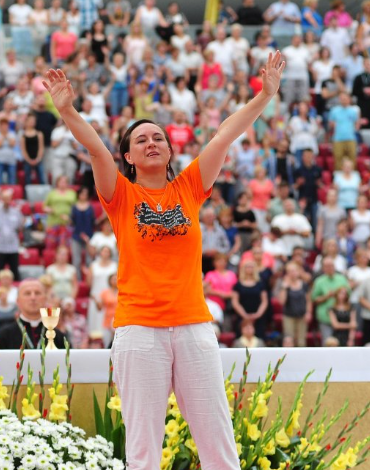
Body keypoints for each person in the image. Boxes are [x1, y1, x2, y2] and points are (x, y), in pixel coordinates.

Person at [43, 50, 285, 468]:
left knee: (218, 442)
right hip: (139, 330)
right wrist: (67, 111)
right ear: (129, 157)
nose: (151, 143)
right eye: (141, 140)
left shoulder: (189, 187)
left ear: (170, 151)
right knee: (143, 449)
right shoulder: (121, 195)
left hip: (193, 326)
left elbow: (223, 136)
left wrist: (264, 96)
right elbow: (97, 151)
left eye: (158, 138)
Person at [0, 279, 67, 349]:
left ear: (45, 299)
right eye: (27, 293)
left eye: (37, 293)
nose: (33, 297)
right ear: (18, 301)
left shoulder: (59, 337)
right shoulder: (3, 336)